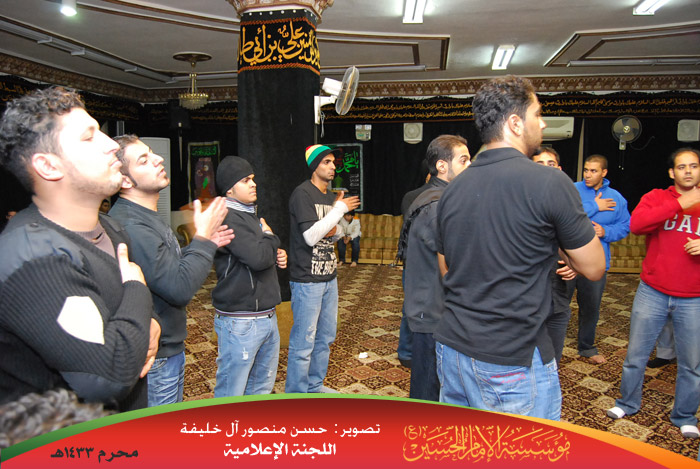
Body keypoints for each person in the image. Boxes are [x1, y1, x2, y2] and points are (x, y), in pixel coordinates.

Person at [434, 75, 605, 420]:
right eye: (537, 114)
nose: (542, 123)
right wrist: (558, 243)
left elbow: (445, 267)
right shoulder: (550, 182)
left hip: (452, 348)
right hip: (510, 357)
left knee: (463, 445)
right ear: (514, 123)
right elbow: (594, 267)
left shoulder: (453, 189)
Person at [0, 87, 159, 411]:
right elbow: (107, 375)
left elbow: (123, 311)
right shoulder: (33, 256)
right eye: (89, 137)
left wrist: (152, 323)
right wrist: (137, 289)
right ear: (48, 166)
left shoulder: (111, 228)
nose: (111, 145)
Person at [109, 134, 232, 407]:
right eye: (144, 160)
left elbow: (169, 268)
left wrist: (204, 242)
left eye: (152, 153)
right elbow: (179, 288)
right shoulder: (132, 225)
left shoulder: (145, 216)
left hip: (168, 348)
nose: (158, 159)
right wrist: (202, 239)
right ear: (125, 180)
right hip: (157, 356)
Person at [607, 148, 700, 440]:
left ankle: (685, 416)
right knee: (636, 355)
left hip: (694, 297)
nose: (688, 171)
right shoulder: (657, 197)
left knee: (691, 364)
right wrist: (680, 204)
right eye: (682, 167)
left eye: (694, 166)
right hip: (653, 291)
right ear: (672, 172)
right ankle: (627, 403)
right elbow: (637, 225)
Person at [286, 144, 360, 393]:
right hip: (307, 279)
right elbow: (310, 236)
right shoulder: (302, 194)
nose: (332, 167)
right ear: (314, 165)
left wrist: (331, 227)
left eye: (333, 162)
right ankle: (297, 394)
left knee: (325, 337)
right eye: (326, 162)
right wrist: (337, 213)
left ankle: (314, 386)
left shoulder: (331, 198)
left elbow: (337, 231)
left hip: (330, 276)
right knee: (304, 341)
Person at [402, 135, 471, 401]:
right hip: (432, 311)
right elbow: (456, 258)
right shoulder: (436, 206)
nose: (470, 165)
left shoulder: (441, 198)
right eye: (463, 160)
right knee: (428, 389)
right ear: (442, 166)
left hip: (434, 307)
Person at [211, 156, 287, 396]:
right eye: (245, 180)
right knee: (231, 394)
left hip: (264, 316)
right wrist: (271, 238)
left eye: (253, 179)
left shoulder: (248, 215)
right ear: (229, 189)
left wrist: (275, 253)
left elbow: (260, 255)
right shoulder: (228, 217)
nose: (254, 184)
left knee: (259, 392)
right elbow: (257, 258)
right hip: (242, 321)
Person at [567, 155, 630, 364]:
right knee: (557, 306)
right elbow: (564, 215)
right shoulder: (572, 189)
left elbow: (625, 226)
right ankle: (549, 346)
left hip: (596, 263)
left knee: (591, 308)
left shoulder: (616, 198)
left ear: (604, 173)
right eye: (586, 170)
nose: (587, 174)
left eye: (593, 171)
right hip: (567, 260)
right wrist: (594, 206)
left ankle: (587, 347)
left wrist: (606, 232)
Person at [531, 147, 577, 364]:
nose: (546, 170)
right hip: (525, 304)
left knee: (551, 363)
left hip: (558, 300)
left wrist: (574, 264)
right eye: (539, 165)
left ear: (559, 170)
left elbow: (580, 248)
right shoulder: (517, 201)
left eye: (551, 165)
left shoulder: (568, 204)